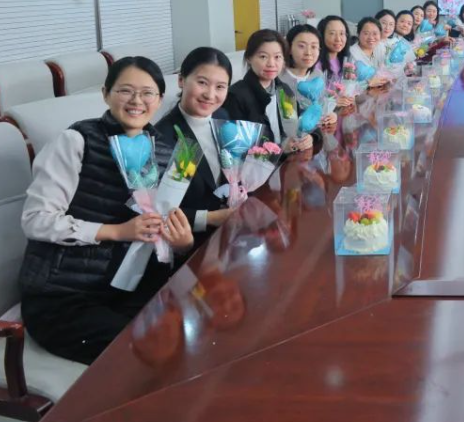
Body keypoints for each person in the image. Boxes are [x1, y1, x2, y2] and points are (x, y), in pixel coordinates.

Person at [19, 57, 194, 364]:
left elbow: (157, 229)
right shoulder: (76, 141)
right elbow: (36, 220)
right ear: (105, 94)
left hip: (128, 289)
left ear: (160, 99)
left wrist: (180, 245)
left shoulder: (167, 153)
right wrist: (117, 231)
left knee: (195, 331)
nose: (137, 101)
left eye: (148, 93)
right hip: (63, 296)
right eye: (125, 91)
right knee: (148, 355)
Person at [154, 48, 235, 245]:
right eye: (202, 83)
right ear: (181, 80)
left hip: (229, 233)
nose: (210, 95)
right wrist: (210, 218)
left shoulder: (222, 117)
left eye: (220, 87)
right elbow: (158, 209)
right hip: (190, 243)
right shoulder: (164, 137)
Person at [223, 29, 312, 153]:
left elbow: (299, 121)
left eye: (277, 57)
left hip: (288, 160)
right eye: (263, 57)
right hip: (261, 164)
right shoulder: (235, 96)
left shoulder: (283, 89)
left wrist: (309, 137)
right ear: (249, 58)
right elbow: (237, 150)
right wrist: (279, 150)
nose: (271, 63)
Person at [279, 25, 337, 132]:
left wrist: (330, 115)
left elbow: (320, 104)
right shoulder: (279, 77)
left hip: (314, 135)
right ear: (289, 48)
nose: (308, 52)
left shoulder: (317, 75)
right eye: (301, 46)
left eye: (314, 47)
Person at [316, 15, 356, 111]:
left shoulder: (346, 60)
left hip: (342, 113)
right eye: (332, 33)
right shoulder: (316, 64)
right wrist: (332, 102)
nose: (338, 39)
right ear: (321, 35)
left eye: (342, 33)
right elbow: (312, 99)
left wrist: (350, 97)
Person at [348, 17, 391, 88]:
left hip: (381, 91)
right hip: (360, 94)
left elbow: (390, 68)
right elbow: (346, 85)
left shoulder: (382, 47)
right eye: (366, 33)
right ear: (358, 34)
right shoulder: (351, 54)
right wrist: (367, 83)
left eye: (375, 33)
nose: (371, 37)